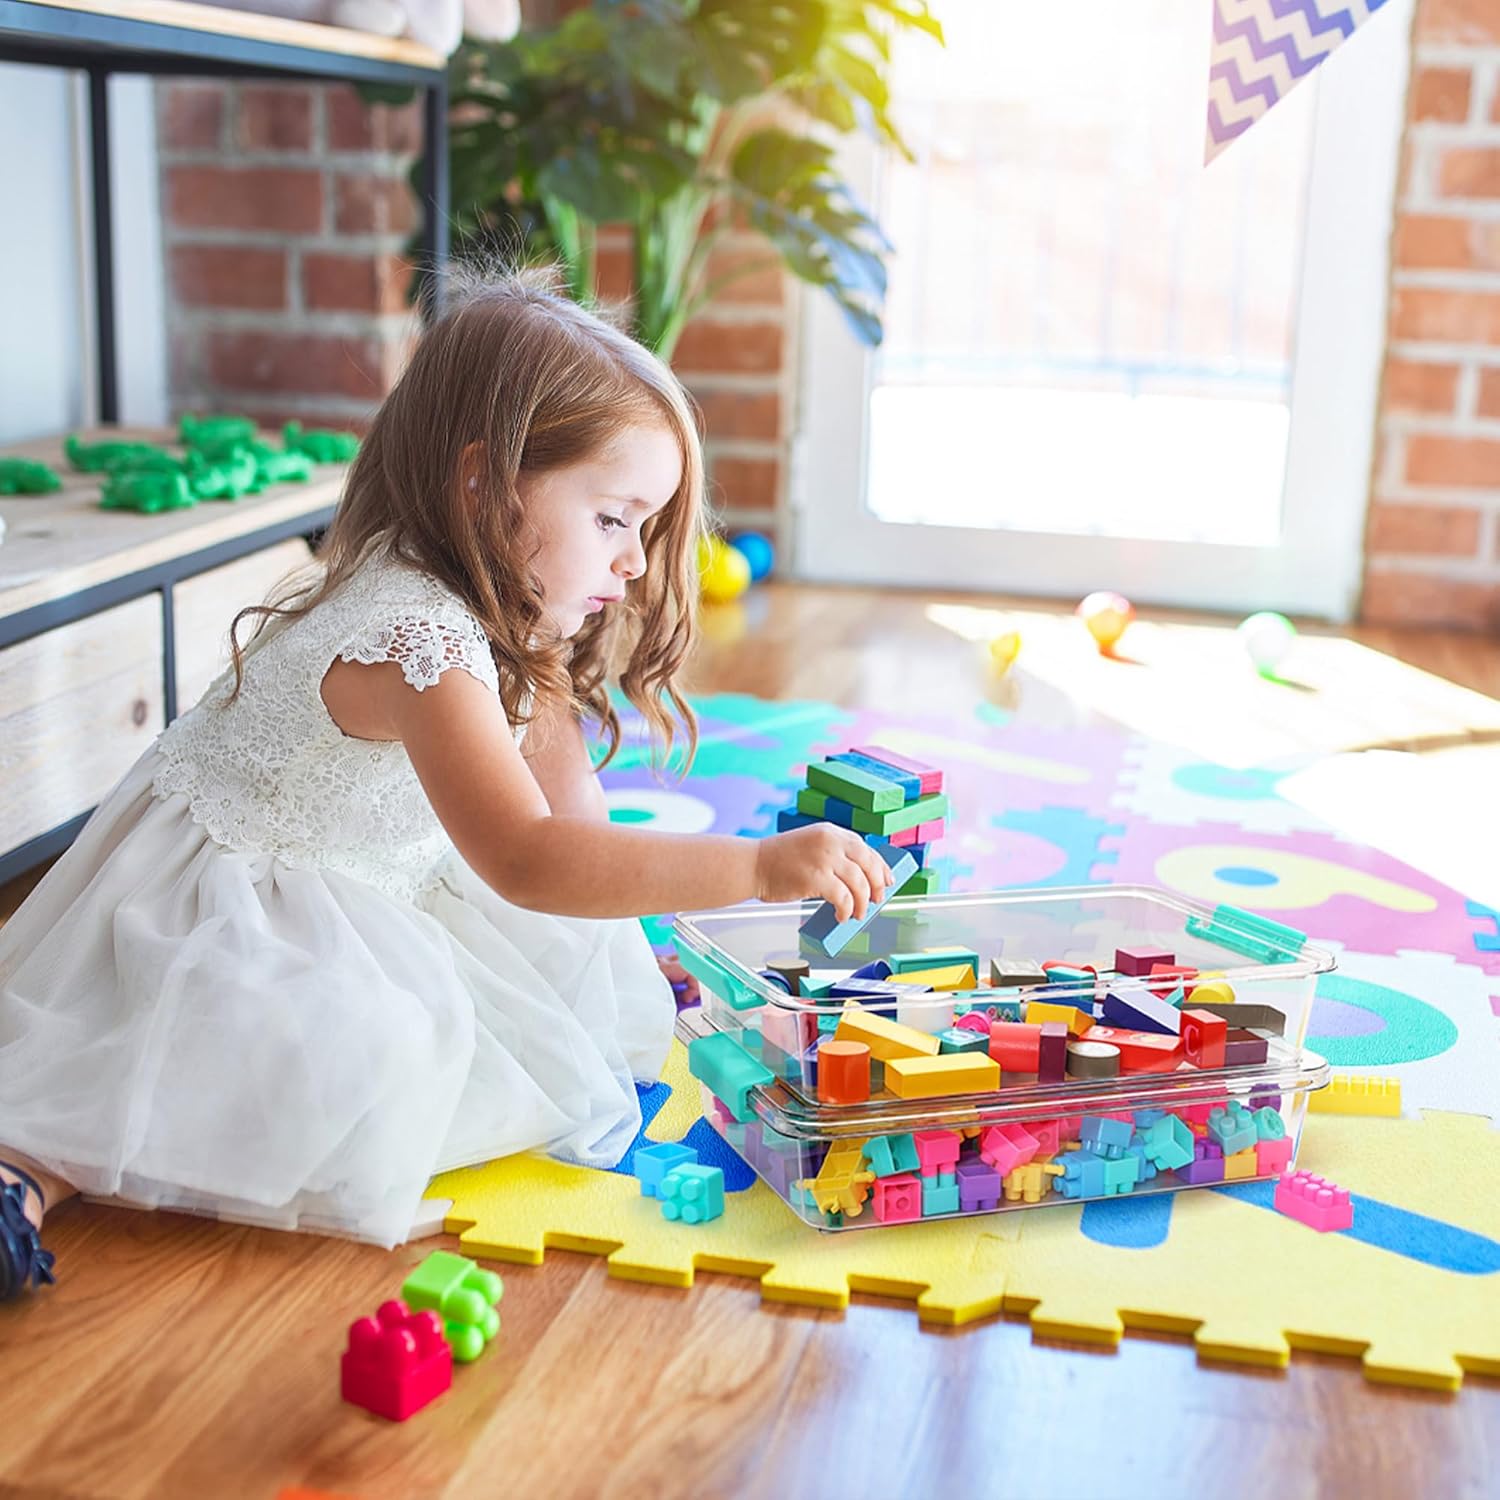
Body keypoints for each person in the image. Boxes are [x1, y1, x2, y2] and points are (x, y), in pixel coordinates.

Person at [0, 268, 894, 1286]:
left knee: (570, 968)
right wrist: (757, 868)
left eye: (646, 527)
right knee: (335, 1056)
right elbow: (529, 856)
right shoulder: (415, 632)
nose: (638, 562)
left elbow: (576, 820)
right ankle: (27, 1167)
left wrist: (646, 931)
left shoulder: (510, 597)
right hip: (234, 903)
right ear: (485, 484)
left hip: (380, 870)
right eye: (613, 518)